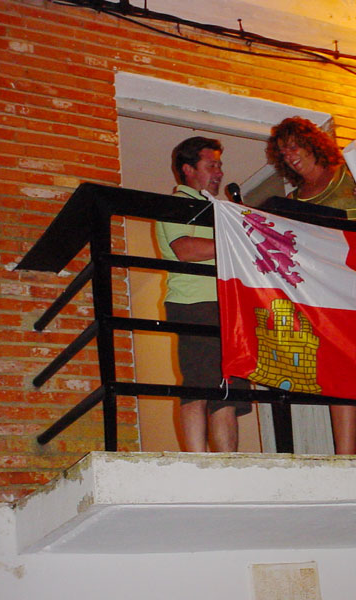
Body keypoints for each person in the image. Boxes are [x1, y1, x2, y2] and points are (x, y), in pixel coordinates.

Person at [265, 117, 356, 455]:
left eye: (293, 146)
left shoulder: (347, 172)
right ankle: (346, 453)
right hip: (327, 284)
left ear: (312, 143)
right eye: (283, 152)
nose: (289, 156)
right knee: (339, 363)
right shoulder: (295, 196)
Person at [155, 136, 251, 452]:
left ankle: (221, 464)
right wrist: (237, 241)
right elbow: (184, 249)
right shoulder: (175, 203)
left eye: (220, 165)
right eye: (211, 165)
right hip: (195, 302)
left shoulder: (218, 209)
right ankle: (204, 463)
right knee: (204, 384)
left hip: (226, 304)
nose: (219, 172)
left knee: (224, 387)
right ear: (188, 169)